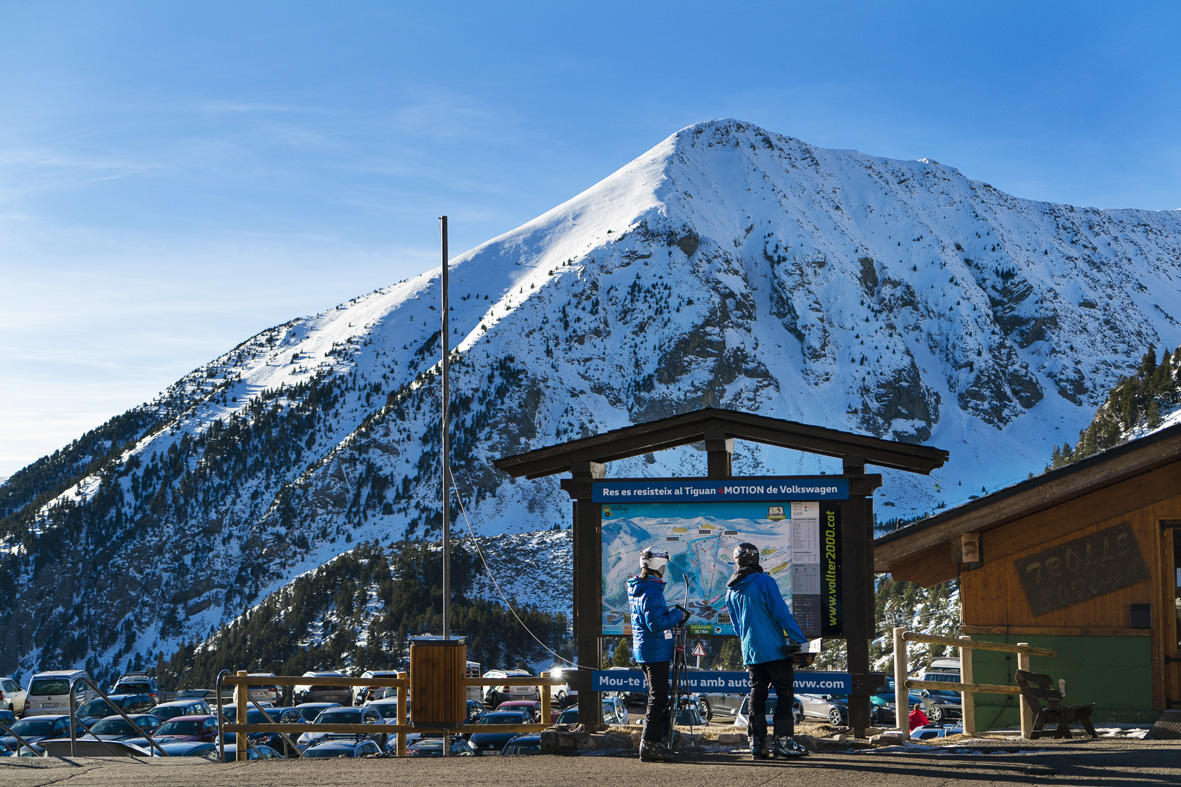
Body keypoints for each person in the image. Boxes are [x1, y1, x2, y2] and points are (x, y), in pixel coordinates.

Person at [725, 542, 810, 760]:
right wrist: (802, 643)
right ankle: (782, 741)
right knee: (785, 692)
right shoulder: (765, 582)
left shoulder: (731, 591)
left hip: (751, 652)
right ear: (756, 559)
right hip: (773, 649)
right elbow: (782, 615)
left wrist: (749, 642)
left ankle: (757, 743)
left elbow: (737, 627)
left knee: (757, 693)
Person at [628, 546, 690, 762]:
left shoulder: (642, 587)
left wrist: (672, 614)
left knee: (659, 697)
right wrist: (678, 614)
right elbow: (656, 624)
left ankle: (659, 739)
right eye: (663, 564)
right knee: (658, 698)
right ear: (658, 565)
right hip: (654, 651)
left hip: (647, 649)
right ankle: (650, 744)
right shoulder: (652, 590)